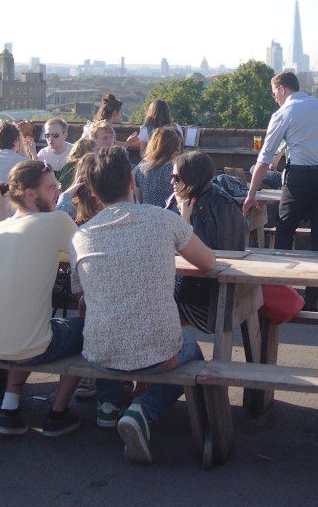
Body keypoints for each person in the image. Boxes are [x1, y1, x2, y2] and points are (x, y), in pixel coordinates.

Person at [71, 147, 216, 463]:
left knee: (111, 330)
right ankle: (142, 411)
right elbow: (208, 261)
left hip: (99, 354)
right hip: (158, 353)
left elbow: (81, 296)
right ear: (132, 182)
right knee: (191, 348)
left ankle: (108, 405)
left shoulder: (80, 236)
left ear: (93, 192)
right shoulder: (163, 220)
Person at [0, 161, 85, 437]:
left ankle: (8, 408)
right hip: (29, 345)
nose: (57, 191)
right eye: (51, 187)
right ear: (30, 194)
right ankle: (58, 414)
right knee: (89, 327)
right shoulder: (56, 221)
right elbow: (87, 249)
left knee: (30, 324)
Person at [242, 72, 318, 309]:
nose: (275, 99)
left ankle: (282, 292)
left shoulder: (283, 113)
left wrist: (251, 195)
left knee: (285, 229)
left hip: (300, 176)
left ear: (281, 88)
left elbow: (265, 158)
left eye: (273, 94)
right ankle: (313, 296)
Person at [168, 151, 246, 333]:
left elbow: (207, 256)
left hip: (206, 302)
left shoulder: (212, 204)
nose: (172, 182)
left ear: (192, 177)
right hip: (206, 293)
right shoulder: (189, 199)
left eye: (176, 178)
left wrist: (184, 221)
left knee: (147, 300)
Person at [133, 127, 182, 208]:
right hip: (171, 216)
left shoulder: (140, 170)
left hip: (148, 216)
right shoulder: (176, 168)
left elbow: (138, 201)